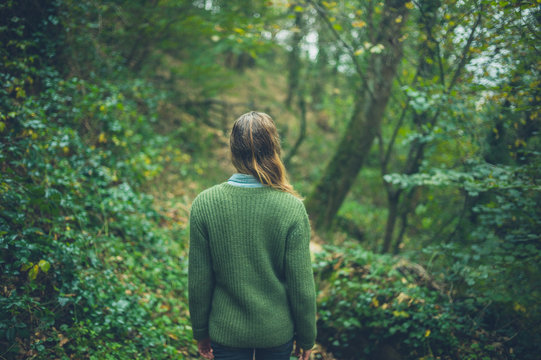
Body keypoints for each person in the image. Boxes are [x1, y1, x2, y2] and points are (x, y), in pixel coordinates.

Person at [188, 111, 316, 360]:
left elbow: (199, 280)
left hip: (226, 335)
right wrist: (306, 337)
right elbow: (302, 286)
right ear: (274, 149)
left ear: (233, 150)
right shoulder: (291, 207)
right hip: (276, 336)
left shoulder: (205, 203)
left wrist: (201, 331)